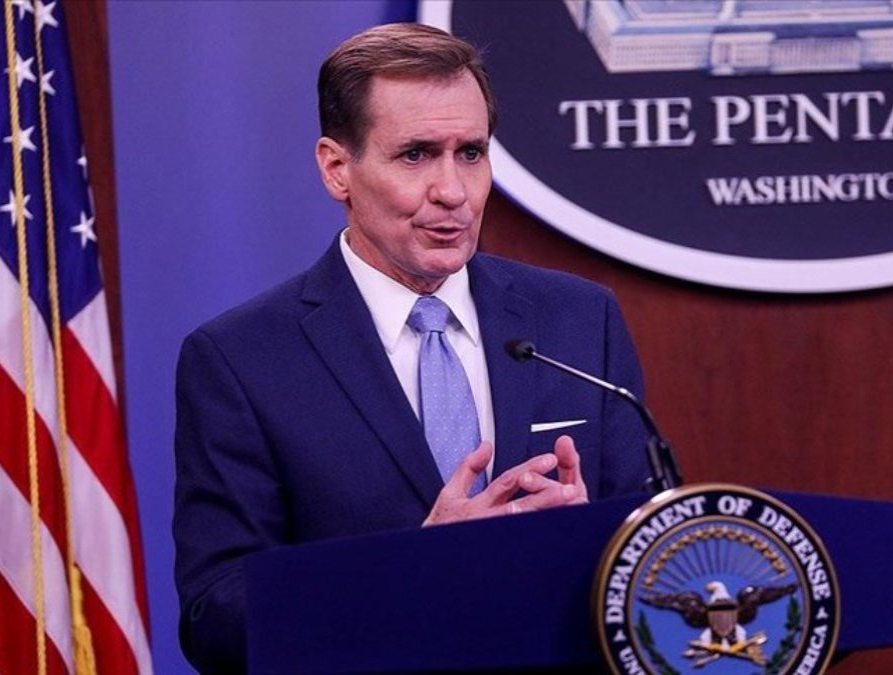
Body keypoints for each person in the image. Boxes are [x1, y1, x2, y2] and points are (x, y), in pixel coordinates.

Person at [173, 22, 650, 673]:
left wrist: (591, 540)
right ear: (337, 169)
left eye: (471, 153)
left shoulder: (579, 320)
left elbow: (655, 545)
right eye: (416, 155)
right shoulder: (241, 360)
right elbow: (216, 617)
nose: (452, 191)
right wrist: (411, 570)